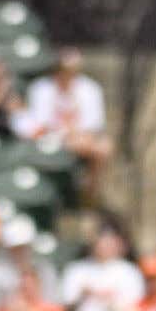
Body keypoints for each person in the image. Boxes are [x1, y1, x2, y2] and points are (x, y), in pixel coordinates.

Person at [23, 47, 111, 200]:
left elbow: (94, 124)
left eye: (72, 70)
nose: (68, 74)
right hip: (48, 138)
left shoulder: (90, 89)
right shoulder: (41, 88)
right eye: (64, 69)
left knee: (104, 147)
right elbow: (40, 123)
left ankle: (89, 194)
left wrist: (77, 134)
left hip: (81, 138)